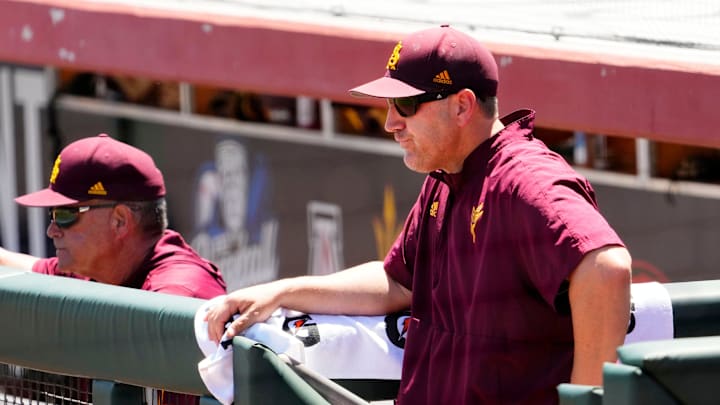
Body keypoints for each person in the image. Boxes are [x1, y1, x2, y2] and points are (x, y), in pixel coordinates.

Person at [205, 25, 631, 404]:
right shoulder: (447, 175)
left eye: (406, 106)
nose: (391, 123)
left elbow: (607, 268)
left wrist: (587, 401)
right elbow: (397, 280)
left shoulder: (524, 180)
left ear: (463, 106)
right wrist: (282, 292)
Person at [0, 133, 226, 299]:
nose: (52, 230)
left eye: (65, 215)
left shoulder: (178, 293)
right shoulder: (103, 267)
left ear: (120, 220)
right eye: (53, 214)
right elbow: (23, 267)